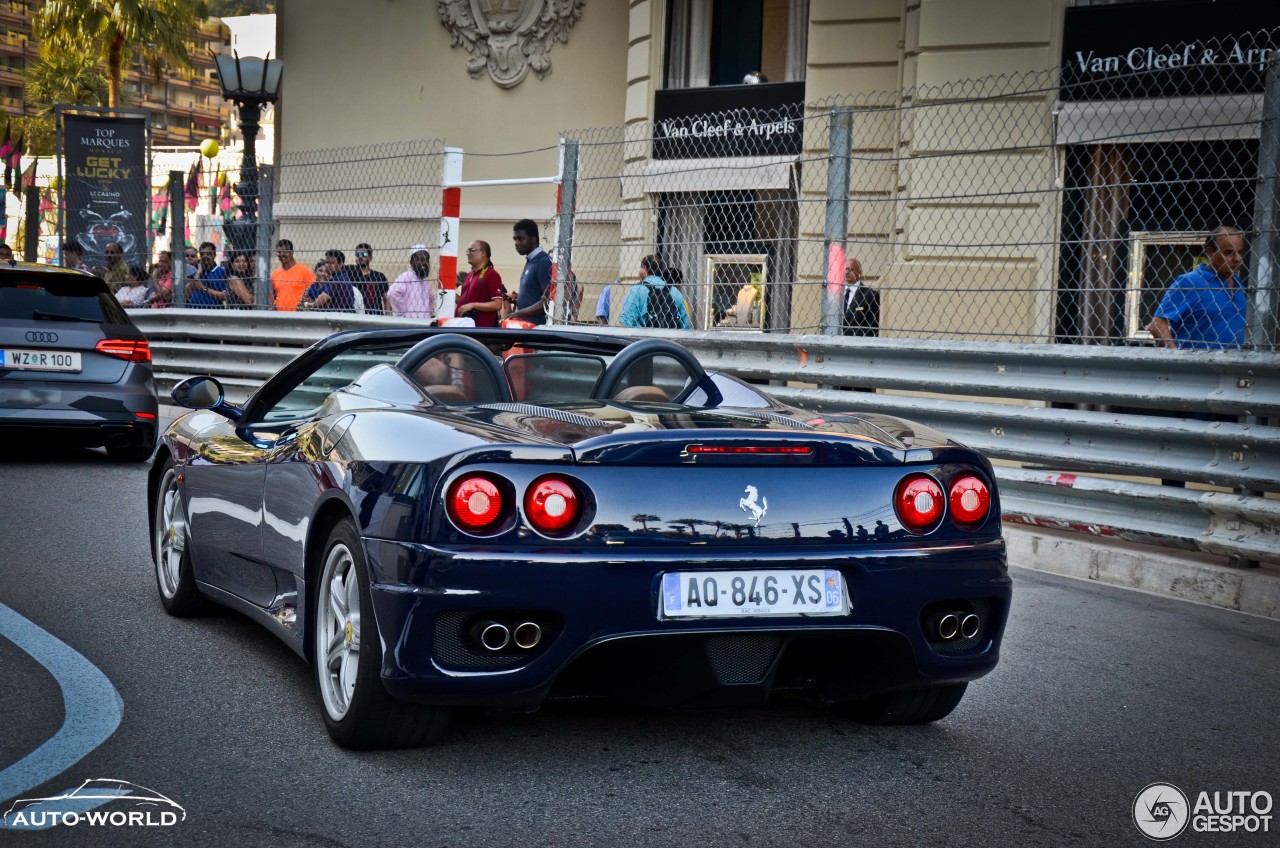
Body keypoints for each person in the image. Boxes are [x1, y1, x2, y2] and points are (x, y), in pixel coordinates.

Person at [1148, 226, 1247, 350]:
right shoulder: (1189, 282)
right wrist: (1177, 358)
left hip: (1234, 364)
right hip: (1198, 364)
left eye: (1240, 252)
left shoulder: (1238, 283)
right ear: (1210, 252)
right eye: (1229, 252)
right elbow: (1156, 325)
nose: (1237, 259)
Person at [619, 254, 691, 330]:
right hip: (668, 339)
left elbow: (627, 321)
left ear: (644, 268)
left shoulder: (636, 289)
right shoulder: (675, 292)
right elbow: (684, 324)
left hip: (643, 339)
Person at [510, 218, 552, 325]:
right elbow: (535, 294)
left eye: (520, 239)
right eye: (515, 239)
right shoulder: (531, 260)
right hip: (526, 327)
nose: (516, 243)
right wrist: (518, 298)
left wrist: (517, 314)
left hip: (537, 330)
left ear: (533, 239)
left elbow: (547, 301)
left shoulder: (543, 262)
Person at [456, 240, 505, 327]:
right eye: (467, 251)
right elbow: (466, 302)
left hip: (480, 332)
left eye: (472, 250)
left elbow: (497, 304)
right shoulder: (469, 275)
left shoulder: (491, 274)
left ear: (483, 253)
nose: (468, 253)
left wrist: (473, 305)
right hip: (463, 327)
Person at [386, 245, 436, 319]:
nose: (424, 263)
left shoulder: (425, 280)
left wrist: (427, 314)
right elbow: (392, 293)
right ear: (412, 262)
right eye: (420, 259)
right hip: (408, 323)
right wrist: (403, 312)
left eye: (426, 259)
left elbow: (431, 299)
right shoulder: (406, 276)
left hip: (424, 323)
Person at [271, 239, 314, 312]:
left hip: (299, 315)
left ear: (292, 252)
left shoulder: (304, 271)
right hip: (279, 316)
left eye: (285, 251)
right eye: (279, 252)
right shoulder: (274, 274)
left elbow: (313, 291)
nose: (282, 254)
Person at [841, 258, 880, 337]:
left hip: (858, 342)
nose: (847, 272)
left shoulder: (870, 295)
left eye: (851, 270)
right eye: (846, 269)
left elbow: (874, 326)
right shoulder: (837, 293)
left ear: (859, 273)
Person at [349, 242, 389, 314]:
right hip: (356, 316)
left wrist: (388, 318)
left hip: (375, 316)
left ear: (370, 258)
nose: (360, 257)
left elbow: (386, 300)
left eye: (364, 254)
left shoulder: (379, 276)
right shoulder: (350, 275)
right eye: (358, 255)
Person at [186, 241, 230, 307]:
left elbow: (225, 296)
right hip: (193, 310)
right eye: (202, 254)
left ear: (214, 255)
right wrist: (197, 275)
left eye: (208, 254)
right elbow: (186, 294)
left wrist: (204, 289)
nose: (205, 256)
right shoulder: (197, 272)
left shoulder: (221, 271)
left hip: (212, 311)